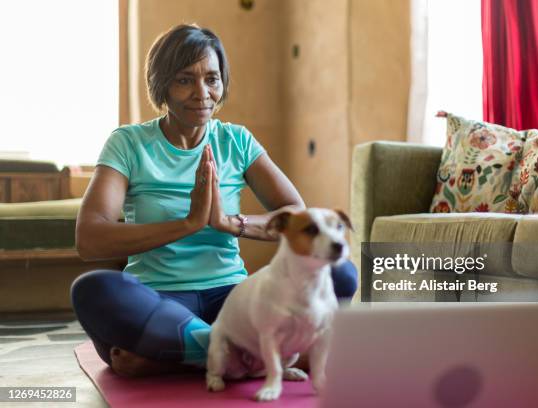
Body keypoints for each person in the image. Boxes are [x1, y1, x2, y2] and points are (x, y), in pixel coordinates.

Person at [70, 24, 357, 377]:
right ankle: (237, 351)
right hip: (158, 299)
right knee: (93, 291)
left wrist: (229, 223)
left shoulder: (235, 141)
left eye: (212, 79)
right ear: (161, 85)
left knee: (339, 270)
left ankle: (180, 355)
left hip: (235, 299)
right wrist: (187, 224)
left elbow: (297, 216)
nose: (202, 93)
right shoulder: (128, 143)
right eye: (185, 80)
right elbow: (89, 237)